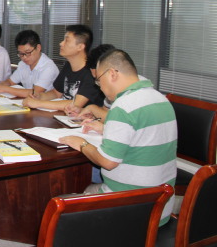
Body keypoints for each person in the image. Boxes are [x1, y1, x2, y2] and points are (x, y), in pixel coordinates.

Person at [58, 49, 177, 225]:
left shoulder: (123, 106)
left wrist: (81, 143)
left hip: (128, 210)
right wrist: (106, 129)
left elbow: (107, 161)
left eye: (99, 80)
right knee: (91, 188)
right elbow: (143, 134)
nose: (99, 87)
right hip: (160, 207)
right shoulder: (160, 99)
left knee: (59, 207)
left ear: (112, 74)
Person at [23, 24, 103, 112]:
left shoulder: (91, 72)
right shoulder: (68, 65)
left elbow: (75, 104)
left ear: (80, 47)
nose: (61, 43)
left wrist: (38, 103)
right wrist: (39, 96)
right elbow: (56, 93)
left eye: (67, 40)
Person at [0, 29, 59, 98]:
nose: (24, 57)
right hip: (27, 102)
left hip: (45, 104)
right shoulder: (23, 64)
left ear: (38, 48)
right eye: (21, 54)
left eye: (28, 52)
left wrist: (5, 89)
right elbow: (10, 82)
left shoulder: (49, 68)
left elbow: (35, 92)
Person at [65, 43, 116, 122]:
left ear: (111, 72)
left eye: (98, 79)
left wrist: (92, 108)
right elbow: (105, 111)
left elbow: (116, 120)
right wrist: (84, 111)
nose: (99, 86)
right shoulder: (111, 90)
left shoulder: (131, 94)